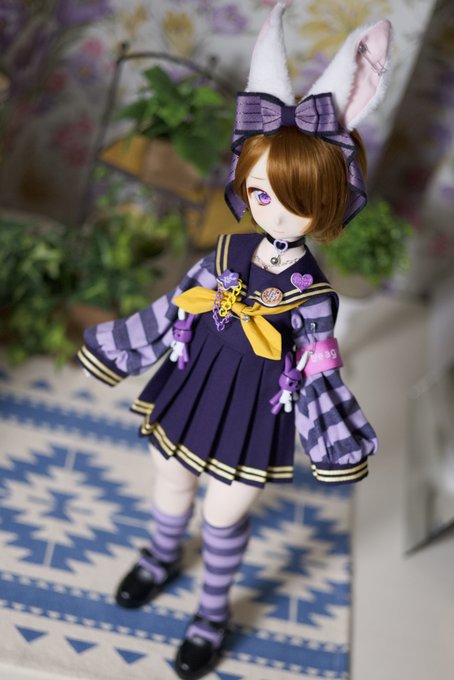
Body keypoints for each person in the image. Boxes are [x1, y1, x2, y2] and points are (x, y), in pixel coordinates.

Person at [77, 5, 392, 678]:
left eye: (295, 198)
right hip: (194, 386)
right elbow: (172, 309)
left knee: (224, 515)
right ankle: (161, 555)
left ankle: (211, 613)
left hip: (252, 411)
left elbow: (319, 374)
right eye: (260, 192)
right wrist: (118, 347)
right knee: (169, 480)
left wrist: (333, 438)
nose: (272, 209)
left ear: (330, 200)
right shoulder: (224, 251)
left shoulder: (312, 296)